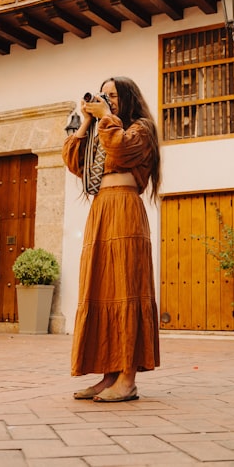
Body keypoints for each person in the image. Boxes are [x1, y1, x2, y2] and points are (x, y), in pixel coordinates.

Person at [62, 76, 162, 402]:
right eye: (104, 95)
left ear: (128, 97)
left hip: (125, 209)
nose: (108, 99)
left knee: (126, 289)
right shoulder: (101, 130)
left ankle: (128, 379)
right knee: (102, 288)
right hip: (101, 211)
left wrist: (105, 117)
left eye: (114, 95)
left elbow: (121, 146)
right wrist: (87, 121)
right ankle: (108, 377)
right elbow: (73, 160)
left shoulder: (141, 129)